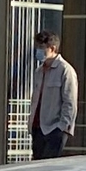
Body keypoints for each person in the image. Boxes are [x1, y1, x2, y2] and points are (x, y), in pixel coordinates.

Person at [31, 30, 78, 159]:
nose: (38, 51)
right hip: (38, 128)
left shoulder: (65, 70)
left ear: (52, 48)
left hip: (54, 129)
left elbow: (70, 102)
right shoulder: (39, 71)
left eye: (41, 47)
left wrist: (62, 127)